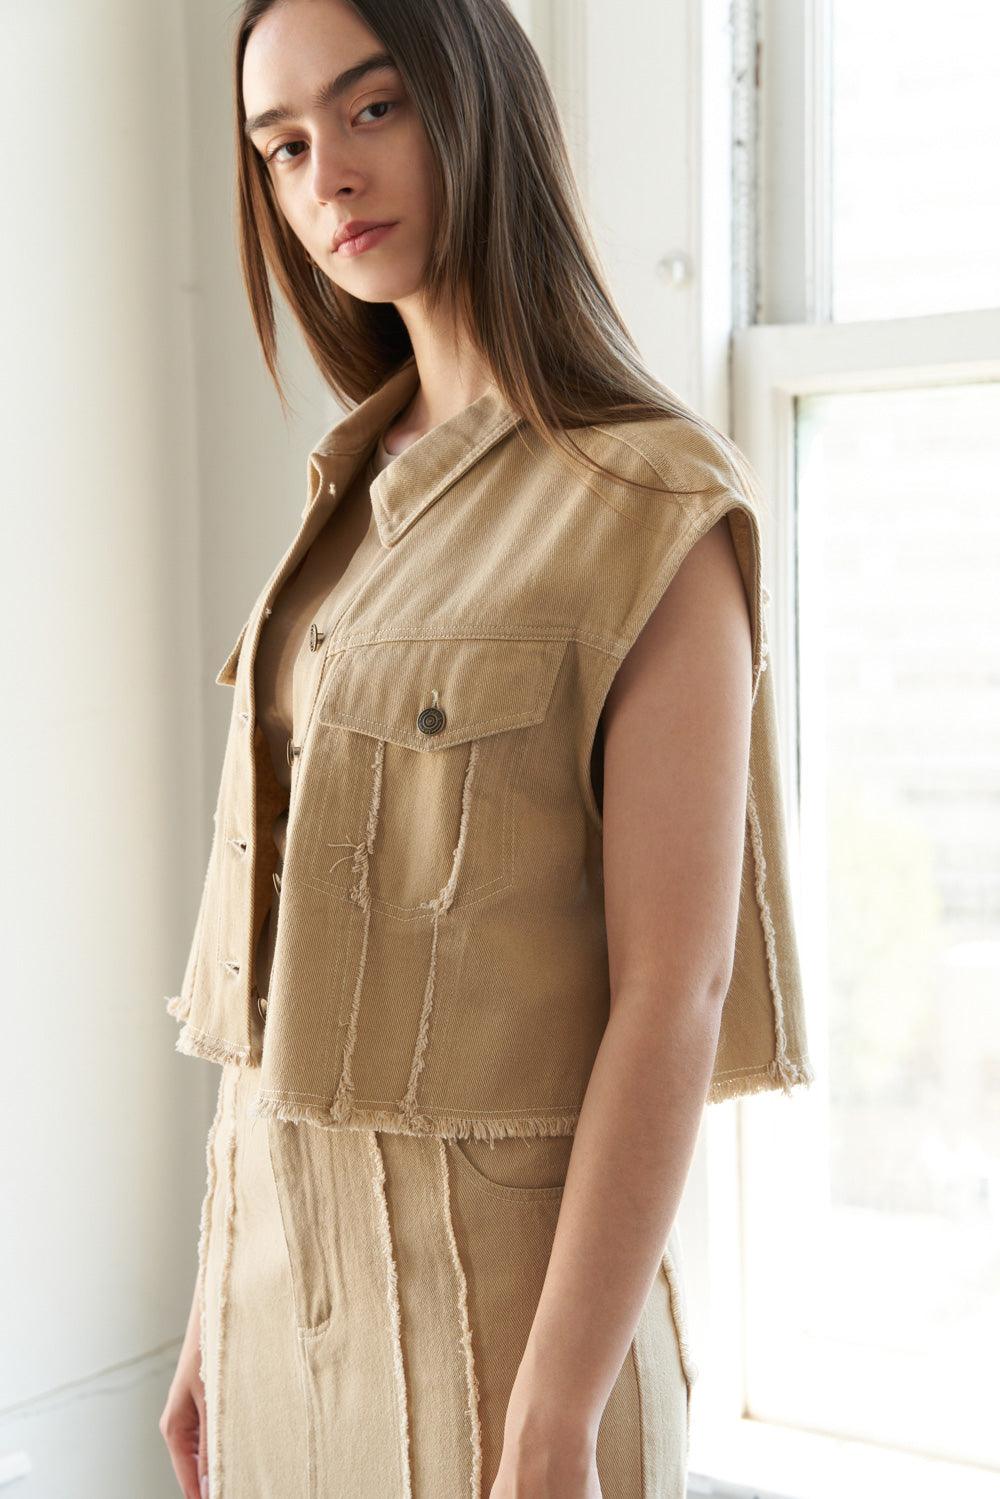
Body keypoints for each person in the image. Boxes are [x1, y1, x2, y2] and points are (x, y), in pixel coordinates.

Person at [158, 1, 813, 1496]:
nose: (328, 175)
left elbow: (676, 988)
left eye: (373, 110)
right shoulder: (342, 508)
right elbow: (271, 971)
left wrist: (552, 1421)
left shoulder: (645, 502)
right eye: (285, 144)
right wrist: (207, 1308)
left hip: (503, 1323)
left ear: (477, 108)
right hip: (273, 1304)